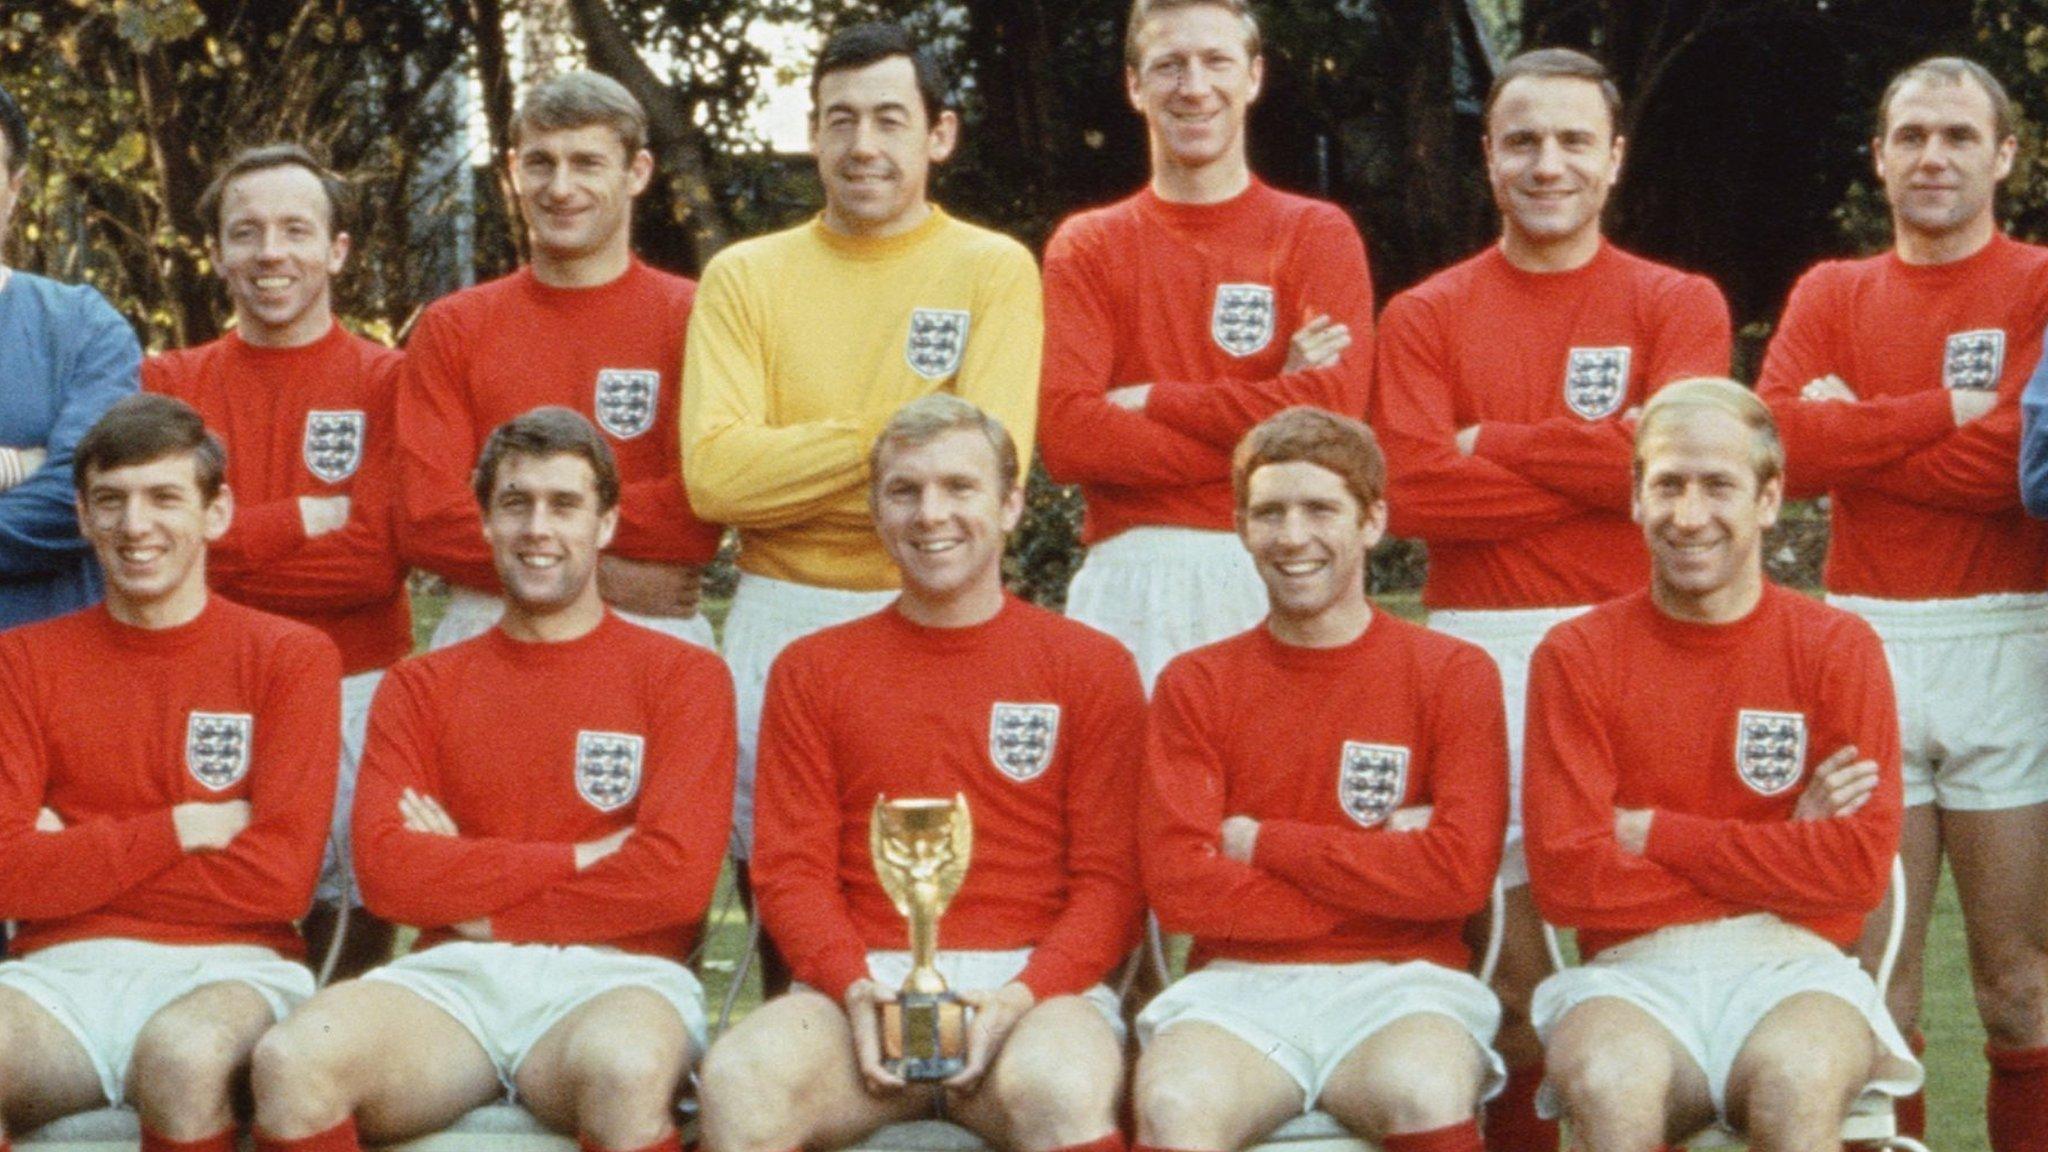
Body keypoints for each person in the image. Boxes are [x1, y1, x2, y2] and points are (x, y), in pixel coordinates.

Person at [1369, 47, 1733, 1151]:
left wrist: (1491, 443)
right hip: (1477, 659)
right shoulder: (1425, 316)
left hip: (1640, 657)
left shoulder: (1678, 302)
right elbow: (1416, 487)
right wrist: (1595, 457)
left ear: (1614, 159)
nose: (1547, 162)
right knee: (1518, 1000)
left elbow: (1666, 478)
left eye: (1574, 139)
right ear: (1486, 156)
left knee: (1647, 999)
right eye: (1521, 139)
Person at [249, 408, 735, 1152]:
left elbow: (672, 881)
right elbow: (389, 875)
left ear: (606, 524)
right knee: (292, 1061)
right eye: (516, 504)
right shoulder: (421, 685)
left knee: (627, 1068)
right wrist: (584, 857)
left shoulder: (684, 677)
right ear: (485, 524)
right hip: (454, 978)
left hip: (619, 978)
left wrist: (477, 886)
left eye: (565, 504)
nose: (539, 528)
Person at [698, 395, 1142, 1152]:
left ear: (1010, 506)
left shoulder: (1091, 667)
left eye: (959, 488)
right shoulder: (812, 669)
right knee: (743, 1079)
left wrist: (1025, 994)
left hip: (1034, 992)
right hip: (856, 992)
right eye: (904, 490)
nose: (930, 513)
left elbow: (1114, 883)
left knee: (1060, 1088)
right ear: (876, 512)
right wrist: (854, 987)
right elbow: (791, 872)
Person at [1753, 57, 2048, 1150]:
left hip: (2008, 639)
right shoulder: (1831, 291)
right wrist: (1941, 410)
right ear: (1876, 156)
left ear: (2003, 156)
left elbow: (2022, 464)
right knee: (1878, 984)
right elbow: (1781, 449)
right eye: (1910, 135)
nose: (1932, 156)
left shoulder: (2039, 284)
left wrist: (1864, 426)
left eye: (1958, 136)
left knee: (2018, 986)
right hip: (1863, 643)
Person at [681, 23, 1040, 888]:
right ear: (812, 134)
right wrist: (900, 434)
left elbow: (982, 480)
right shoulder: (744, 276)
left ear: (939, 135)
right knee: (786, 883)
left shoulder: (992, 269)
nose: (863, 145)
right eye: (840, 120)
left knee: (946, 886)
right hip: (781, 610)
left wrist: (800, 464)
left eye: (889, 118)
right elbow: (716, 476)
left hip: (937, 618)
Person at [1523, 378, 1918, 1152]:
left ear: (1769, 500)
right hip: (1630, 973)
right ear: (1635, 496)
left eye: (1719, 486)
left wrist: (1651, 834)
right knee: (1609, 1077)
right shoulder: (1576, 654)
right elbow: (1571, 880)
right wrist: (1783, 844)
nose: (1689, 514)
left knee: (1797, 1079)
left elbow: (1856, 874)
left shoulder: (1838, 648)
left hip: (1796, 965)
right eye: (1667, 485)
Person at [1134, 407, 1507, 1152]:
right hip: (1238, 987)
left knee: (1421, 1088)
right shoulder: (1195, 683)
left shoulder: (1453, 674)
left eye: (1320, 509)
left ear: (1372, 521)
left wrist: (1265, 844)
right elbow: (1180, 888)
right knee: (1175, 1103)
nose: (1293, 536)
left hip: (1404, 986)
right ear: (1241, 527)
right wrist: (1388, 884)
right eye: (1268, 513)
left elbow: (1461, 879)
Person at [0, 393, 341, 1152]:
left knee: (182, 1059)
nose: (136, 525)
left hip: (231, 967)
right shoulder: (21, 660)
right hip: (59, 972)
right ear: (83, 518)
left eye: (164, 498)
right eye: (111, 502)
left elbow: (279, 881)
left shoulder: (289, 657)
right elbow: (6, 874)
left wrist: (72, 850)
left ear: (216, 514)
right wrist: (182, 827)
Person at [1037, 0, 1373, 692]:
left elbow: (1333, 421)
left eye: (1216, 61)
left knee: (1281, 796)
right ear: (1135, 86)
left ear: (1253, 77)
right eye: (1169, 65)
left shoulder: (1315, 234)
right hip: (1132, 578)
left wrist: (1153, 399)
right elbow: (1070, 435)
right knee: (1126, 799)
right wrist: (1271, 407)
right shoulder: (1089, 243)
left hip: (1278, 564)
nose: (1194, 86)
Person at [146, 143, 409, 980]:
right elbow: (153, 550)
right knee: (210, 904)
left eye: (296, 229)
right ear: (217, 251)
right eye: (247, 231)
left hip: (353, 681)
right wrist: (301, 515)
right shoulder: (171, 379)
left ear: (337, 250)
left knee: (350, 907)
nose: (271, 252)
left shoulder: (389, 379)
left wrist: (224, 543)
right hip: (207, 685)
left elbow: (372, 562)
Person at [398, 71, 720, 650]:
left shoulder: (694, 317)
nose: (560, 187)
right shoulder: (455, 325)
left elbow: (696, 508)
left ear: (637, 173)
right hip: (491, 620)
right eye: (541, 163)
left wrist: (514, 513)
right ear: (513, 172)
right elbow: (427, 518)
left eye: (587, 163)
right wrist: (603, 577)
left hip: (651, 632)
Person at [0, 82, 142, 632]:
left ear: (16, 188)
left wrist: (45, 476)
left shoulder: (82, 327)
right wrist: (23, 466)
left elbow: (81, 502)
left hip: (43, 679)